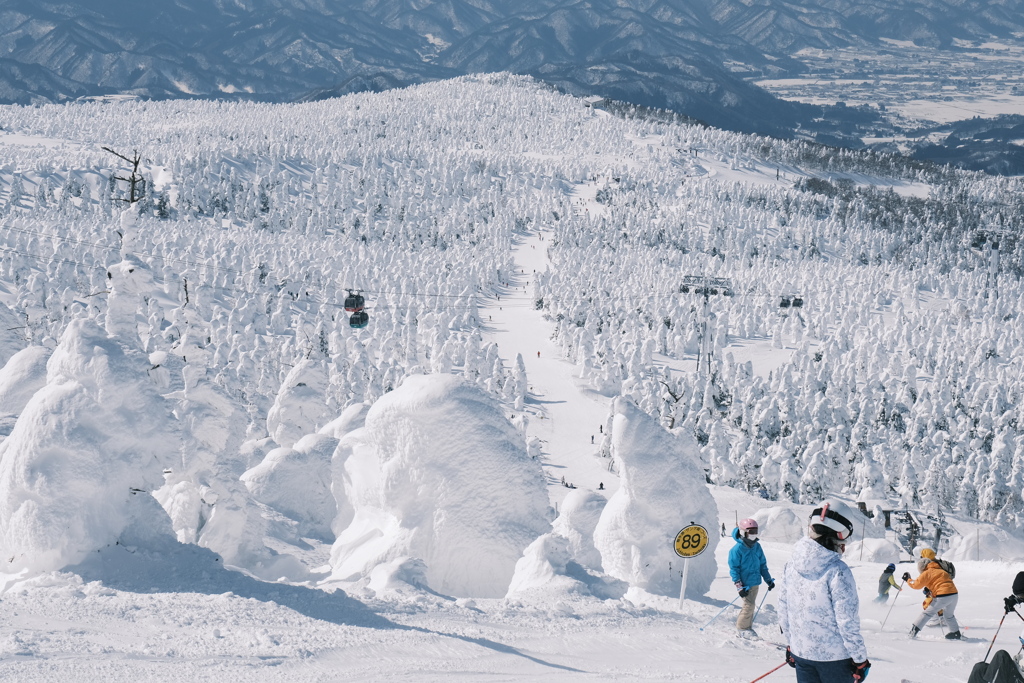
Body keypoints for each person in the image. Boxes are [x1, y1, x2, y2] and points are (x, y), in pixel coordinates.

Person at [778, 501, 870, 682]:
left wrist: (791, 644)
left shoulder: (791, 565)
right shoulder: (838, 571)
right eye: (843, 541)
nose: (843, 547)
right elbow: (847, 621)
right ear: (835, 537)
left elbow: (784, 608)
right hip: (835, 660)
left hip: (802, 653)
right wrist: (860, 659)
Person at [728, 518, 775, 637]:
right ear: (743, 532)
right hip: (745, 584)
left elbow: (762, 565)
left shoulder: (756, 546)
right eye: (751, 532)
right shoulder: (737, 549)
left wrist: (768, 580)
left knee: (751, 605)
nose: (754, 534)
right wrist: (739, 586)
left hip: (755, 582)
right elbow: (734, 569)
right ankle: (742, 629)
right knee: (749, 605)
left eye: (755, 531)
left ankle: (746, 627)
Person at [904, 548, 960, 639]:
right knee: (948, 615)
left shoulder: (927, 572)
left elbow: (916, 585)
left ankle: (913, 631)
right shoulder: (941, 570)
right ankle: (956, 633)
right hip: (954, 594)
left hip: (942, 596)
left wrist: (908, 579)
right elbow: (939, 582)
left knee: (927, 614)